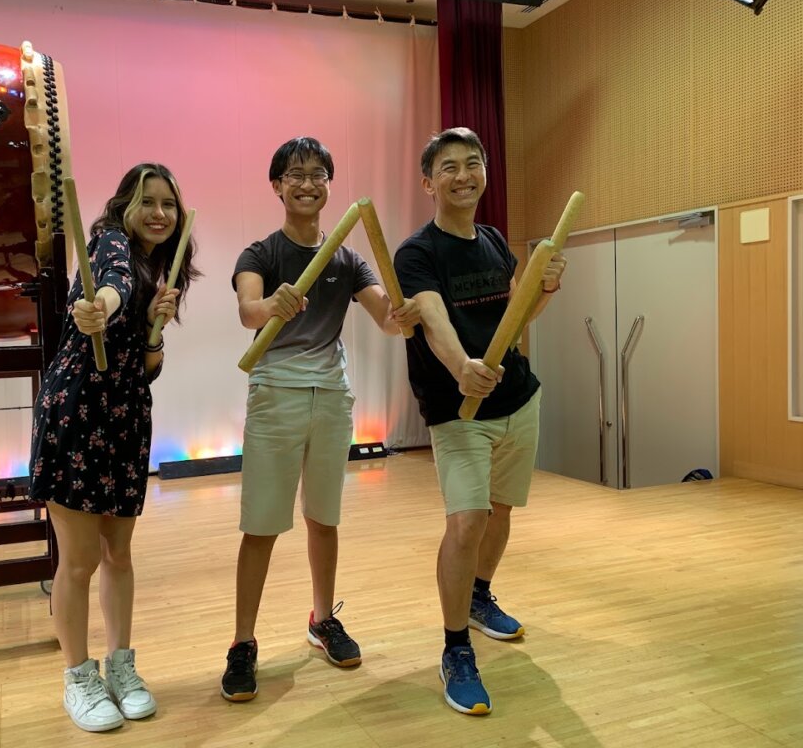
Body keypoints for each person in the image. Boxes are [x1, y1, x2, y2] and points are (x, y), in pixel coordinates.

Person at [221, 137, 421, 702]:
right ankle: (242, 642)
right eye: (295, 174)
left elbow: (388, 320)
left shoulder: (347, 259)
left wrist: (404, 313)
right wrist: (272, 306)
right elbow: (248, 312)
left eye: (317, 174)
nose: (307, 183)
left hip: (332, 396)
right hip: (275, 393)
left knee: (324, 519)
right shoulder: (260, 254)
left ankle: (322, 619)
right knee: (261, 525)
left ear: (329, 184)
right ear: (277, 185)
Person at [393, 127, 566, 716]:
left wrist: (546, 287)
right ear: (428, 182)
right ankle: (455, 649)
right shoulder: (418, 253)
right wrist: (460, 367)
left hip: (517, 398)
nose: (463, 175)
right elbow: (433, 319)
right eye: (449, 167)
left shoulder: (492, 240)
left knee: (500, 511)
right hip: (458, 410)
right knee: (466, 522)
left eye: (473, 163)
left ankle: (480, 596)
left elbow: (517, 314)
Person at [28, 162, 200, 732]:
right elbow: (112, 283)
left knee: (118, 555)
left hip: (125, 419)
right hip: (77, 415)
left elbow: (146, 367)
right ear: (125, 205)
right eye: (147, 201)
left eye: (168, 204)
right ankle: (78, 677)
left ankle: (121, 667)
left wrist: (154, 330)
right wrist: (101, 305)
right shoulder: (109, 243)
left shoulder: (160, 269)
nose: (159, 213)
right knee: (78, 561)